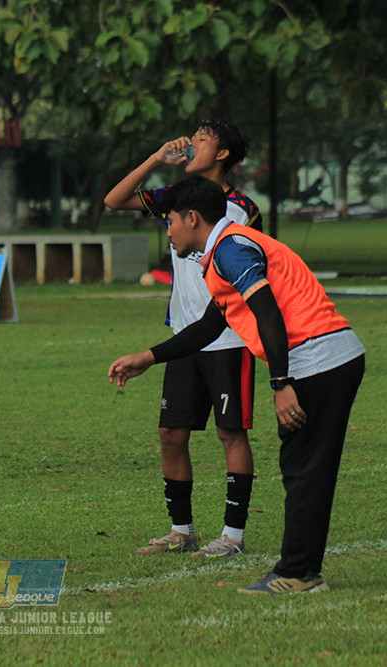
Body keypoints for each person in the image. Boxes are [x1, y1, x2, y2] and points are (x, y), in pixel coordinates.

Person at [108, 174, 365, 594]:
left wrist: (281, 383)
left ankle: (298, 574)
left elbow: (268, 314)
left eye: (170, 220)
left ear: (192, 218)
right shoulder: (222, 252)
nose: (168, 230)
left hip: (319, 360)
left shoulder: (231, 250)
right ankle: (300, 570)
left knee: (303, 469)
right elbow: (211, 325)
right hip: (326, 358)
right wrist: (149, 358)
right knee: (304, 469)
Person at [103, 120, 262, 557]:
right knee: (171, 434)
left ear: (224, 153)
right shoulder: (176, 197)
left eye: (203, 140)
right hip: (183, 338)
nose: (192, 145)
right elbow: (114, 200)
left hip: (229, 337)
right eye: (191, 139)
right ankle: (181, 530)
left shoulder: (242, 208)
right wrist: (157, 158)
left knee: (232, 434)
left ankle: (232, 537)